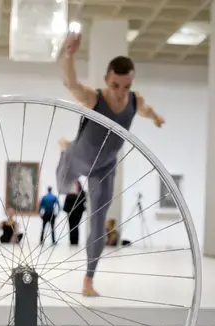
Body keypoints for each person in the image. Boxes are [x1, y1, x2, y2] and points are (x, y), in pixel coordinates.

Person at [57, 33, 165, 297]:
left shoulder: (133, 101)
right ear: (107, 80)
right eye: (115, 86)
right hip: (77, 158)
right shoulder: (96, 98)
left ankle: (88, 279)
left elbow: (145, 109)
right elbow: (71, 84)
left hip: (104, 167)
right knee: (63, 189)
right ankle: (64, 148)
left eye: (126, 87)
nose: (120, 93)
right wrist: (70, 55)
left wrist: (155, 117)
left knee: (98, 223)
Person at [63, 180, 86, 246]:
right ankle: (71, 241)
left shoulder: (82, 193)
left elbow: (84, 200)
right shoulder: (69, 193)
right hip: (70, 212)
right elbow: (66, 203)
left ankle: (75, 241)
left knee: (75, 226)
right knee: (71, 226)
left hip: (78, 212)